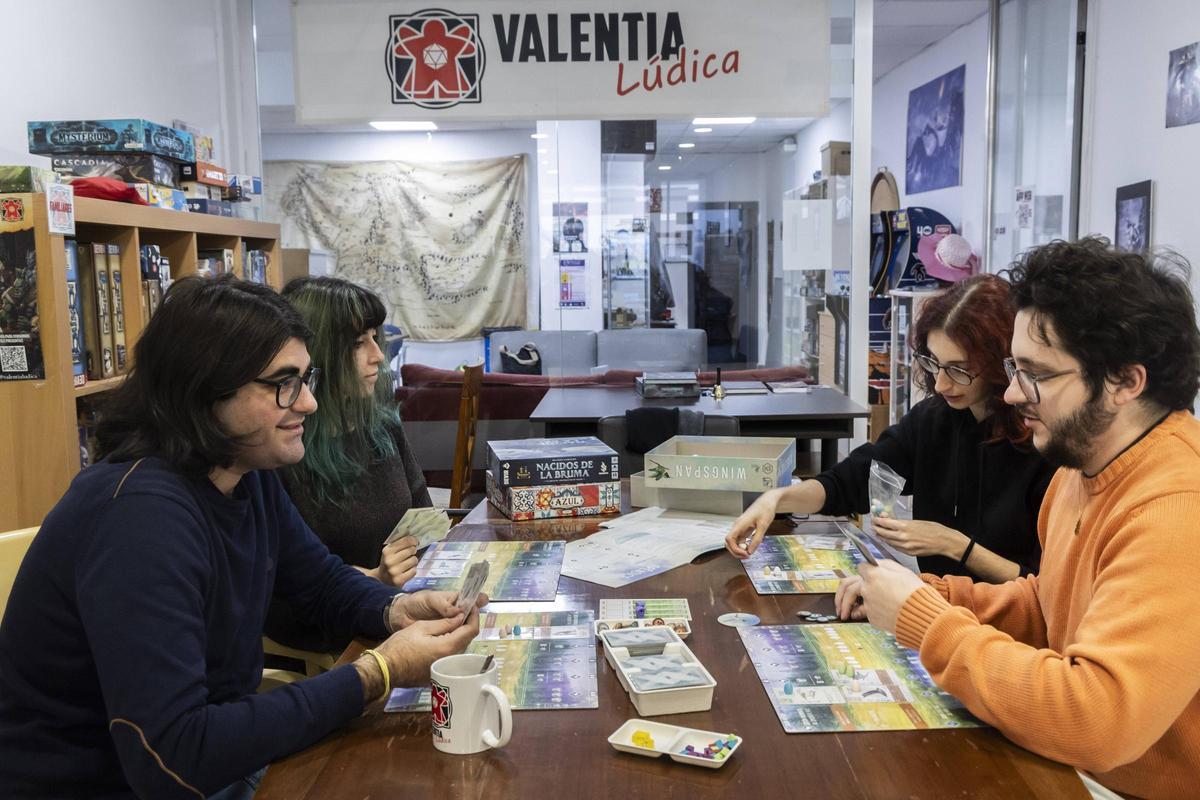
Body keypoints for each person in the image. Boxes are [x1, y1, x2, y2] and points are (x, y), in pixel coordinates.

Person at [0, 275, 483, 800]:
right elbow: (175, 756)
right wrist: (377, 674)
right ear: (206, 389)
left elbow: (321, 583)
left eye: (307, 378)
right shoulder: (139, 521)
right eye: (284, 384)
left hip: (211, 760)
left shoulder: (243, 474)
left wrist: (397, 611)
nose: (309, 404)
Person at [836, 238, 1200, 799]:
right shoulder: (1082, 468)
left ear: (1127, 382)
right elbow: (1049, 605)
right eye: (1012, 367)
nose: (1010, 391)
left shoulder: (1177, 510)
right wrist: (930, 595)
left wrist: (926, 623)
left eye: (1036, 373)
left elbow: (1096, 721)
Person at [726, 273, 1054, 582]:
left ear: (1003, 365)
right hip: (938, 609)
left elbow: (1043, 589)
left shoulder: (1044, 445)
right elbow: (849, 483)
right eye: (935, 363)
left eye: (958, 370)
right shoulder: (933, 420)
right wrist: (775, 499)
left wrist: (954, 545)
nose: (940, 384)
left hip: (1004, 631)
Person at [279, 277, 430, 585]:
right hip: (328, 626)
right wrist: (375, 578)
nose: (377, 356)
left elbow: (423, 518)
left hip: (396, 602)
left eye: (375, 338)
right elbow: (288, 581)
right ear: (318, 352)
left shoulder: (382, 426)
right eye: (358, 343)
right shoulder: (282, 448)